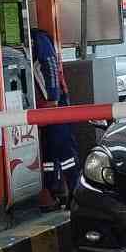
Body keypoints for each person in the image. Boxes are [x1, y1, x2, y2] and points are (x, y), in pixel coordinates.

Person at [30, 27, 78, 210]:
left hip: (54, 104)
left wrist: (52, 98)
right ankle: (53, 191)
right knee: (49, 151)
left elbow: (49, 66)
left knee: (63, 147)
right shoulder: (32, 40)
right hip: (43, 106)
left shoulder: (38, 39)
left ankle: (74, 191)